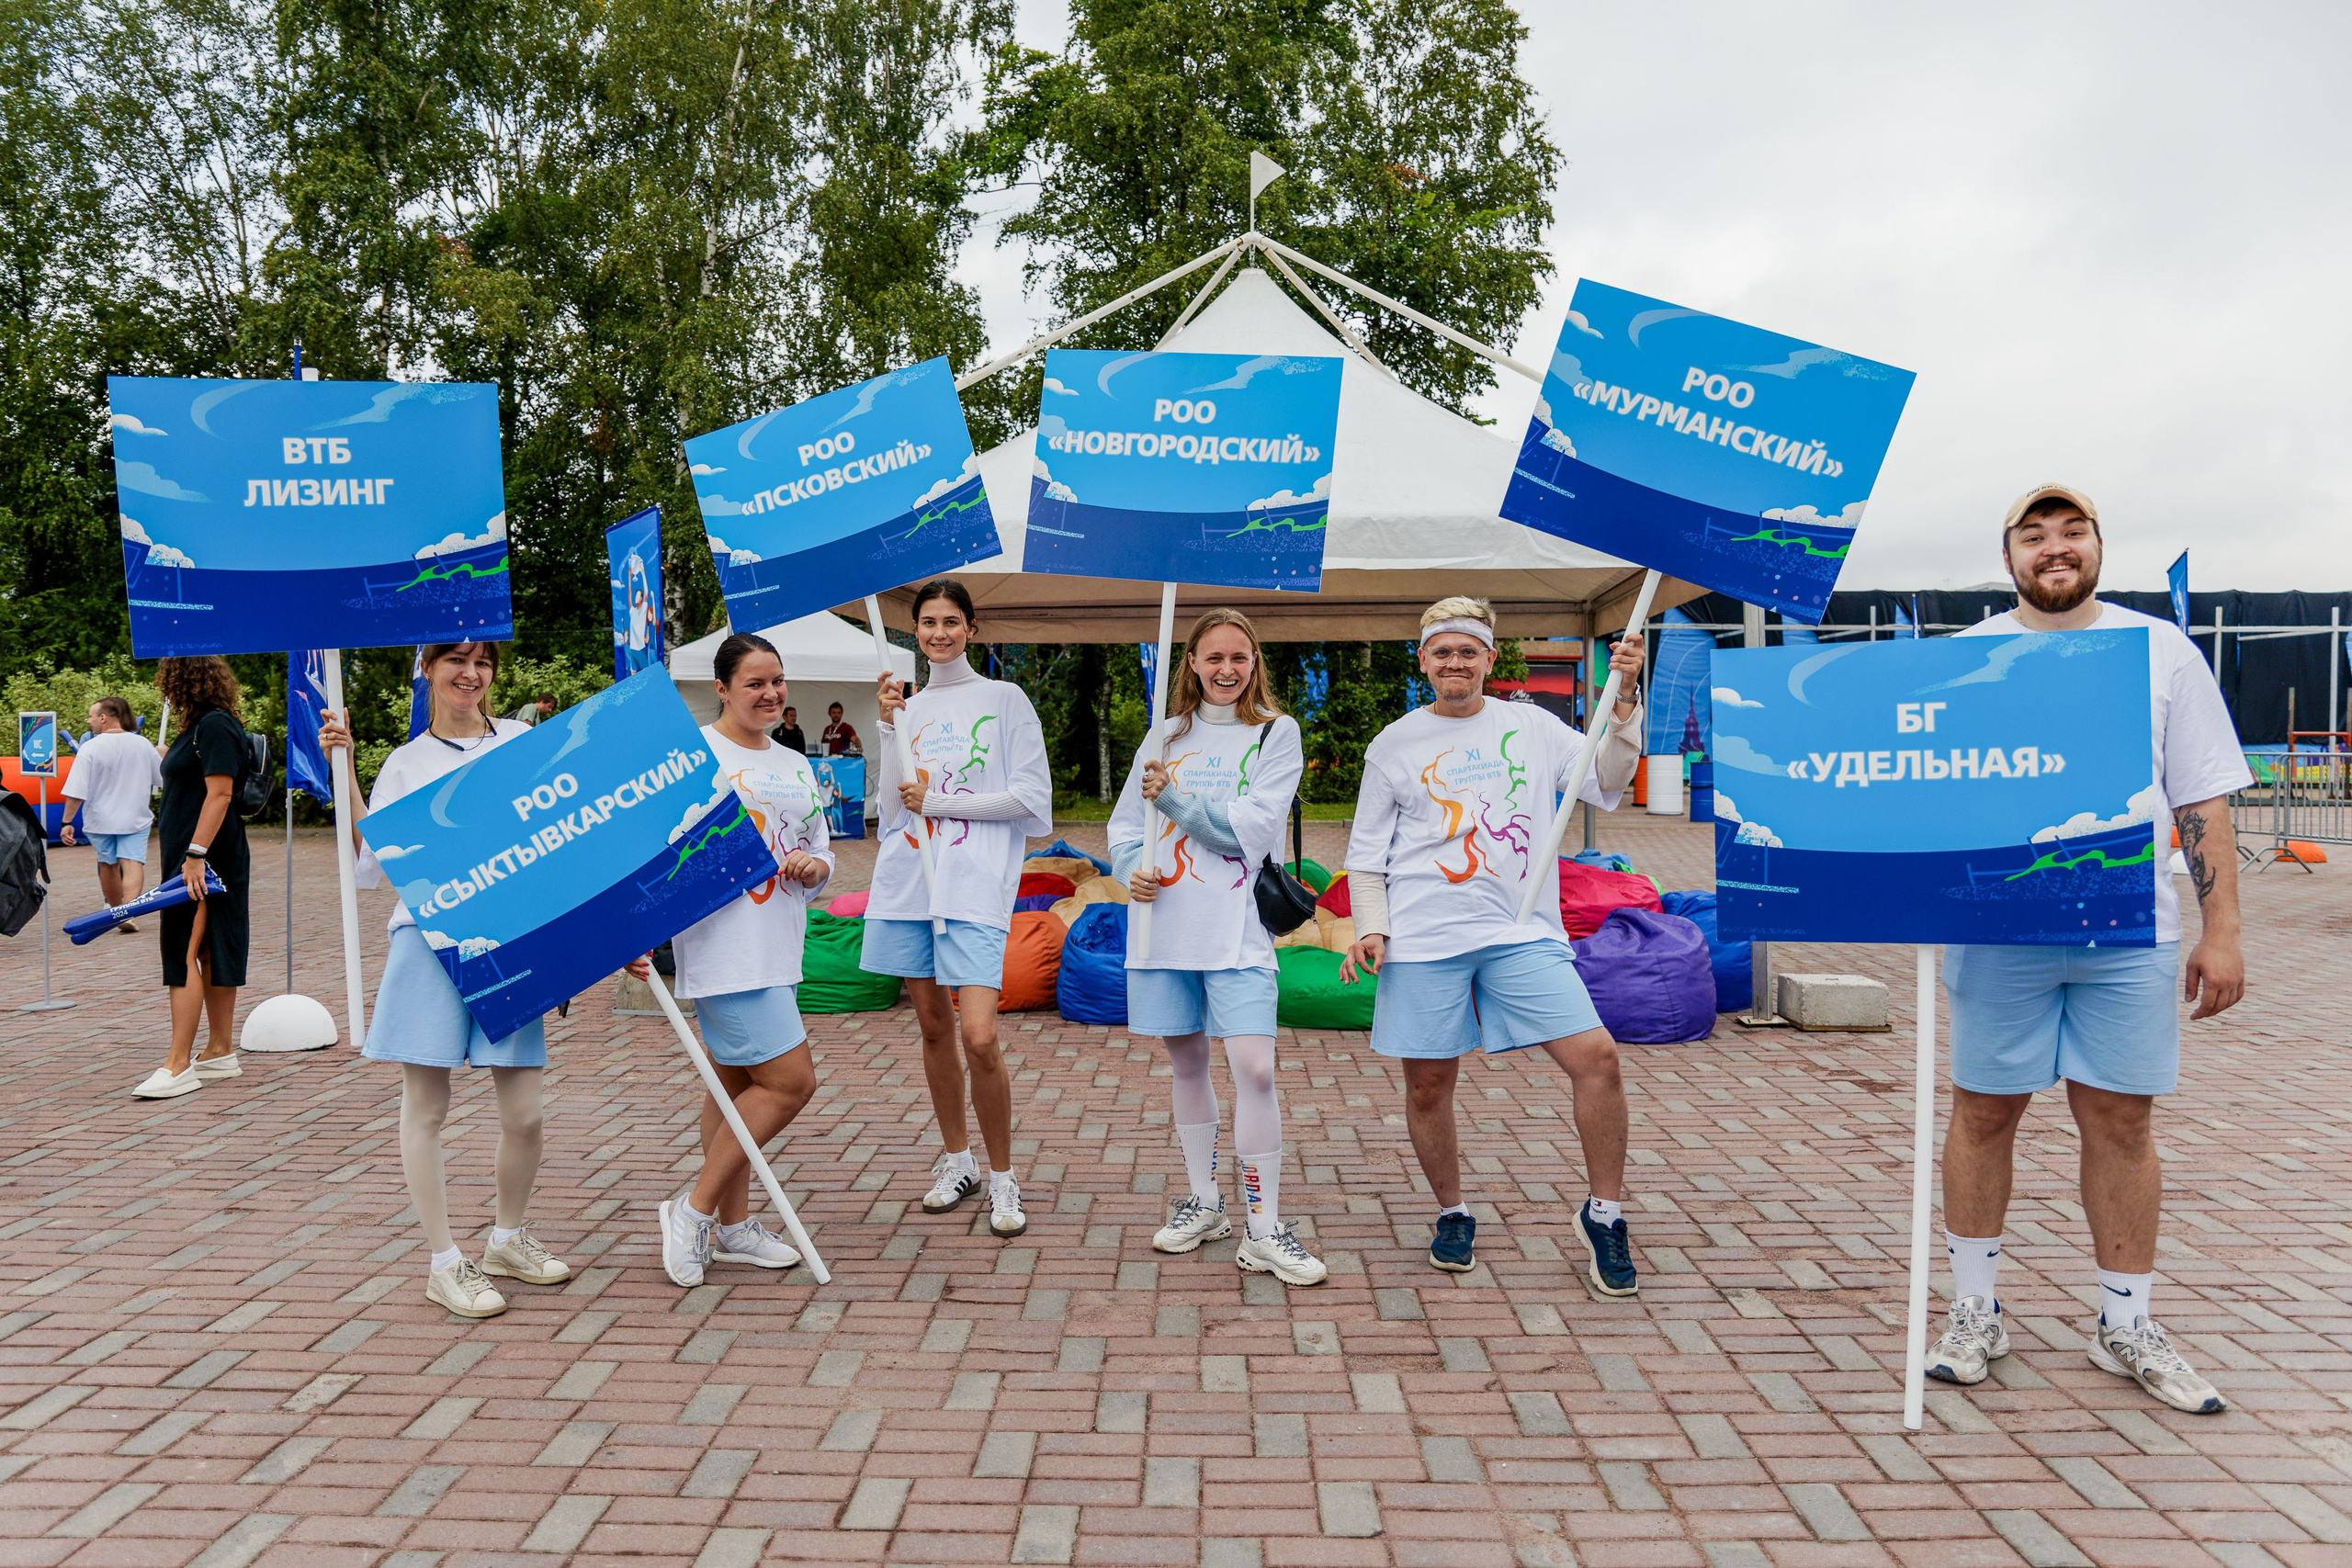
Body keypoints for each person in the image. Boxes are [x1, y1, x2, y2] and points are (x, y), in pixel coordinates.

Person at [1926, 484, 2249, 1415]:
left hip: (2126, 927)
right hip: (2000, 927)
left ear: (2098, 548)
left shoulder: (2159, 651)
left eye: (2072, 533)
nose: (2054, 549)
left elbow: (2199, 799)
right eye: (2035, 536)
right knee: (1983, 1112)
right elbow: (1919, 783)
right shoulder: (1966, 658)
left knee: (2120, 1121)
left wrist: (2221, 932)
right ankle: (1975, 1311)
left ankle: (2125, 1323)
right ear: (2009, 557)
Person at [1340, 597, 1646, 1292]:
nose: (1455, 662)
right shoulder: (1393, 744)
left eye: (1468, 650)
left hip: (1519, 934)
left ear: (1490, 658)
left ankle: (1605, 1214)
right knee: (1427, 1085)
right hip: (1424, 936)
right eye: (1441, 651)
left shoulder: (1531, 726)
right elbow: (1365, 856)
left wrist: (1624, 697)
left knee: (1596, 1057)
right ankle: (1453, 1211)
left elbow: (1605, 781)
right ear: (1423, 660)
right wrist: (1370, 925)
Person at [319, 643, 571, 1318]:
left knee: (525, 1112)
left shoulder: (522, 741)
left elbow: (561, 830)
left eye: (483, 661)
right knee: (426, 1107)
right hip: (429, 940)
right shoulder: (407, 762)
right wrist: (343, 771)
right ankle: (442, 1260)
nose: (471, 672)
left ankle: (507, 1239)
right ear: (427, 670)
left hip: (510, 938)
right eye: (455, 659)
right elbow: (375, 866)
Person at [1112, 609, 1323, 1285]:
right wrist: (1128, 871)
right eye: (1213, 658)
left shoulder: (1275, 734)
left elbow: (1247, 835)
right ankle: (1205, 1203)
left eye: (1239, 657)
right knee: (1187, 1064)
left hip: (1236, 931)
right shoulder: (1162, 735)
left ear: (1254, 661)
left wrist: (1172, 800)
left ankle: (1265, 1228)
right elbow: (1121, 830)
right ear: (1192, 663)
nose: (1227, 670)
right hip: (1165, 927)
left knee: (1256, 1068)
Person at [863, 579, 1052, 1237]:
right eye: (928, 622)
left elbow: (1032, 802)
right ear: (915, 629)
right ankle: (958, 1160)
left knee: (980, 1035)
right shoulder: (906, 706)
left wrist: (939, 803)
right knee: (933, 1028)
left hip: (972, 884)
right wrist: (889, 729)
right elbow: (889, 812)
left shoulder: (1004, 699)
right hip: (909, 882)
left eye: (951, 621)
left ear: (972, 627)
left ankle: (1004, 1176)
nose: (939, 632)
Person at [656, 633, 834, 1287]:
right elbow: (660, 847)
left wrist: (817, 865)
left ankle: (732, 1227)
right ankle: (692, 1209)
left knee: (732, 1086)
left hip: (778, 941)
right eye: (755, 682)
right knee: (791, 1082)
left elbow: (817, 843)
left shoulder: (795, 761)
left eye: (777, 681)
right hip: (724, 946)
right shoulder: (696, 755)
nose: (770, 693)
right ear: (722, 688)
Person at [134, 660, 254, 1099]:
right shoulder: (204, 727)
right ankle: (219, 1050)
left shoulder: (215, 726)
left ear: (179, 680)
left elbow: (221, 792)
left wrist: (195, 855)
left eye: (166, 680)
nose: (163, 688)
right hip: (198, 856)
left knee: (182, 948)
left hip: (203, 857)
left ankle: (178, 1064)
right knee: (208, 947)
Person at [60, 697, 163, 932]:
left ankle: (117, 911)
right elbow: (162, 778)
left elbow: (76, 790)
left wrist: (66, 821)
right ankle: (128, 910)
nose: (89, 721)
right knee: (133, 861)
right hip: (135, 816)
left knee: (108, 864)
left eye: (91, 716)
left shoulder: (90, 747)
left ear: (104, 718)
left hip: (100, 819)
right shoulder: (142, 744)